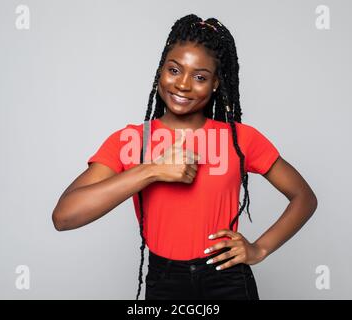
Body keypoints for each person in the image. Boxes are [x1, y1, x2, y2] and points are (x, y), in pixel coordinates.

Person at [52, 14, 318, 300]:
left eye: (200, 76)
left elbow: (304, 197)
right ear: (161, 71)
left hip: (226, 279)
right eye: (175, 70)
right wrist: (151, 170)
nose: (183, 84)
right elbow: (64, 216)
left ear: (216, 83)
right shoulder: (130, 141)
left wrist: (259, 249)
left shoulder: (240, 139)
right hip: (164, 282)